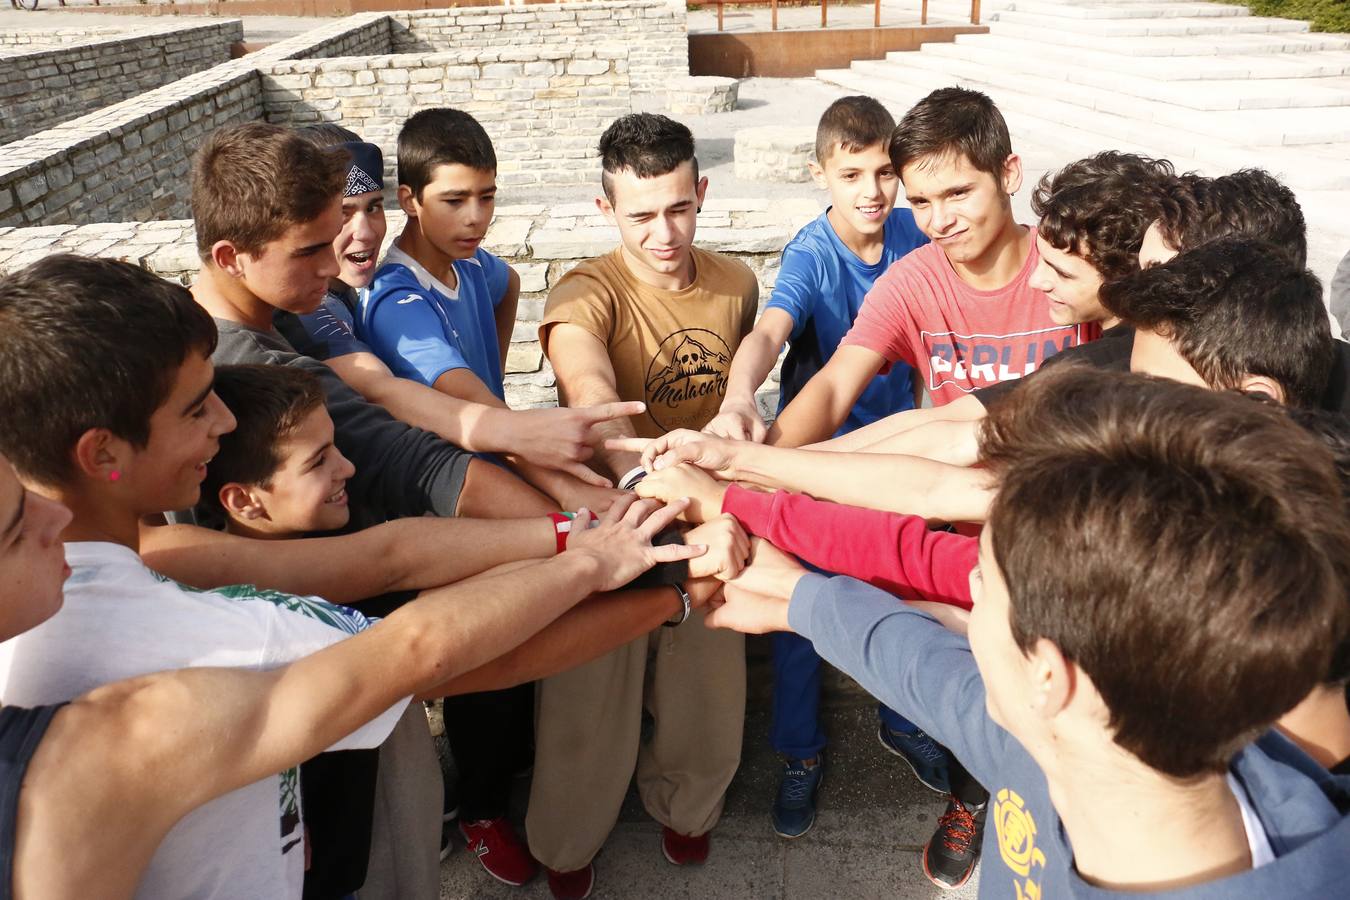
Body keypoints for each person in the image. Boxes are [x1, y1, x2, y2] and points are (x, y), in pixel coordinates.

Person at [0, 253, 706, 900]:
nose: (221, 421)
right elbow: (425, 653)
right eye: (194, 407)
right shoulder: (221, 634)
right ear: (102, 454)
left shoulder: (153, 554)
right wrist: (624, 573)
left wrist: (567, 533)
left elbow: (385, 556)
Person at [704, 366, 1350, 898]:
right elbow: (942, 684)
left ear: (1050, 676)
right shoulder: (1089, 742)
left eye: (983, 577)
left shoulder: (1064, 748)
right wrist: (799, 598)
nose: (971, 591)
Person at [530, 112, 759, 900]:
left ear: (700, 191)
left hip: (706, 525)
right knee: (588, 696)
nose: (664, 233)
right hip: (613, 516)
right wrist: (636, 465)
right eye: (641, 215)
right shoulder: (584, 290)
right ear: (606, 212)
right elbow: (586, 381)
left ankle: (688, 811)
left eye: (679, 208)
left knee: (708, 687)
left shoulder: (736, 284)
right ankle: (567, 841)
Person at [702, 95, 933, 838]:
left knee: (903, 592)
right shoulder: (812, 252)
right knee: (803, 613)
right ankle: (800, 753)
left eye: (885, 171)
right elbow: (771, 330)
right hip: (817, 461)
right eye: (852, 173)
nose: (872, 191)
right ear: (820, 174)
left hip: (899, 455)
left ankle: (906, 719)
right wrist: (742, 396)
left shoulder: (911, 229)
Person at [273, 123, 635, 503]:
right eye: (343, 214)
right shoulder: (354, 306)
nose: (364, 231)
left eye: (374, 207)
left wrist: (489, 379)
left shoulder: (464, 262)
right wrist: (563, 486)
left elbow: (507, 283)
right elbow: (387, 391)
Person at [767, 87, 1098, 452]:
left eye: (958, 194)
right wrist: (753, 465)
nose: (940, 222)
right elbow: (833, 388)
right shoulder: (911, 283)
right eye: (921, 201)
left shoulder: (1075, 267)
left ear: (1009, 173)